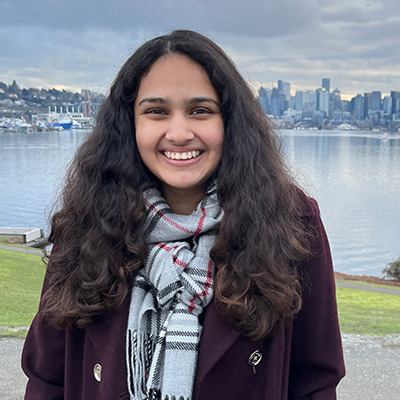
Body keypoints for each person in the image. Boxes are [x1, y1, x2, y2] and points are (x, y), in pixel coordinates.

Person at [22, 29, 345, 400]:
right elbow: (47, 376)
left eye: (200, 111)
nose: (178, 133)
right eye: (156, 111)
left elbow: (316, 379)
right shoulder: (87, 222)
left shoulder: (290, 220)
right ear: (130, 124)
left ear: (230, 122)